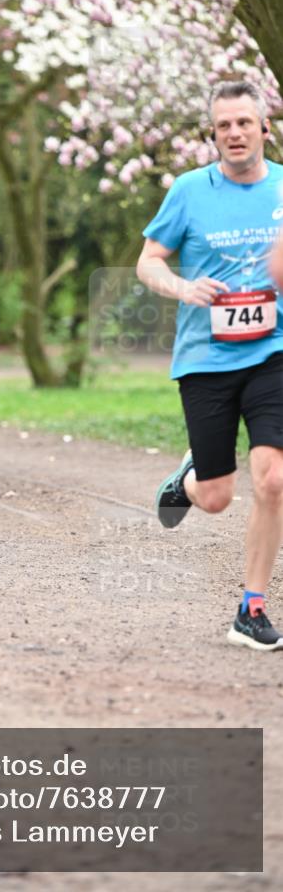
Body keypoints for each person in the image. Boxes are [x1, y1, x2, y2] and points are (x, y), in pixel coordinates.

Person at [137, 80, 283, 652]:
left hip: (274, 352)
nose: (234, 133)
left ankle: (252, 607)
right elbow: (148, 262)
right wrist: (181, 285)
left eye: (244, 122)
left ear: (264, 127)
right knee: (218, 496)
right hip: (206, 359)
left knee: (272, 477)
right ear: (214, 134)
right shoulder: (190, 191)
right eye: (223, 125)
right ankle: (189, 480)